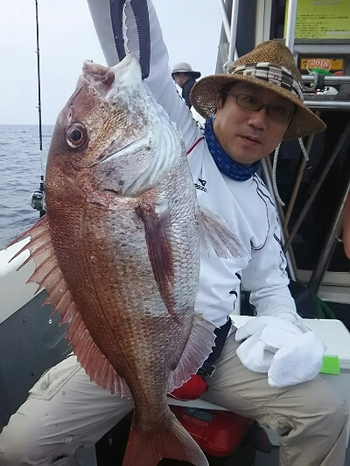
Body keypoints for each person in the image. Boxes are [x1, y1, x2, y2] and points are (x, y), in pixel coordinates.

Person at [0, 1, 349, 465]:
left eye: (277, 112)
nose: (259, 119)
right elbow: (142, 54)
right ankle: (148, 412)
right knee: (20, 447)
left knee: (328, 406)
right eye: (248, 100)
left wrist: (285, 329)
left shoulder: (265, 207)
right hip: (129, 349)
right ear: (219, 102)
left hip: (213, 347)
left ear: (284, 129)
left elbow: (270, 286)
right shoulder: (174, 137)